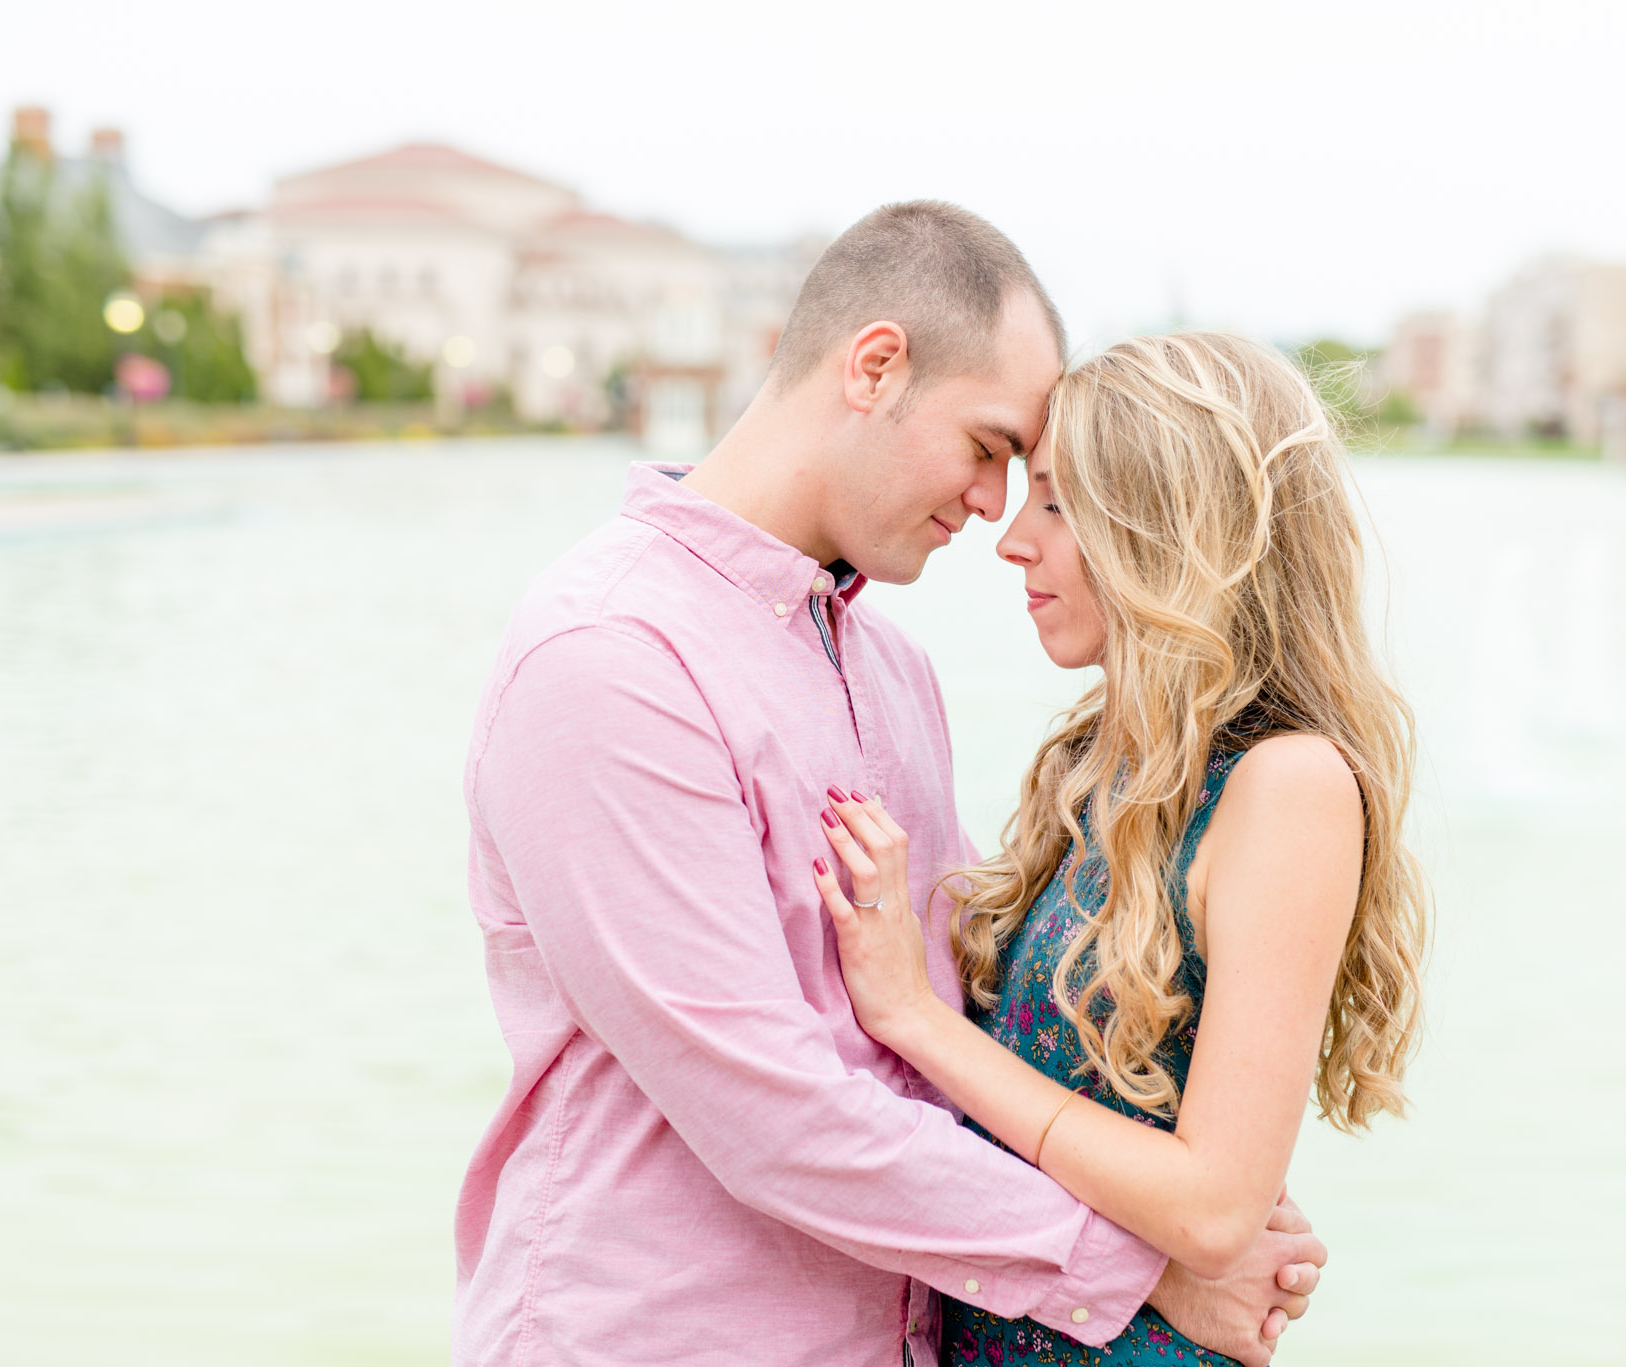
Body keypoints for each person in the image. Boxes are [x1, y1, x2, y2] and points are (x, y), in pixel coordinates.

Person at [456, 207, 1326, 1367]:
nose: (991, 508)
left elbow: (953, 1022)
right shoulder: (611, 656)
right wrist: (1145, 1272)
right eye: (986, 447)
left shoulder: (892, 671)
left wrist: (1200, 1192)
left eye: (1029, 480)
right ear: (874, 366)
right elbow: (769, 1110)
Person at [808, 331, 1430, 1365]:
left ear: (1167, 523)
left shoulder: (1285, 783)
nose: (1012, 539)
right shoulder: (1099, 761)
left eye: (1054, 501)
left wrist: (912, 1017)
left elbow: (1213, 1209)